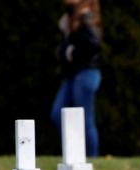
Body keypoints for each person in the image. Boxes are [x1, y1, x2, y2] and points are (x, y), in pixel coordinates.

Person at [50, 0, 102, 157]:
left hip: (86, 74)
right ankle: (74, 153)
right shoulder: (72, 17)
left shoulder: (86, 16)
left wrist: (73, 54)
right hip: (73, 75)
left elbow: (94, 44)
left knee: (85, 120)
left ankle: (92, 158)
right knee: (58, 114)